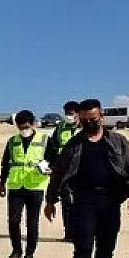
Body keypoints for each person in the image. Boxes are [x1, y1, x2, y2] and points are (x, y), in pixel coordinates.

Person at [45, 98, 129, 258]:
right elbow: (59, 173)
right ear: (80, 119)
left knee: (106, 248)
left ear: (102, 116)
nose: (89, 123)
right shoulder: (74, 145)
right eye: (85, 120)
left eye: (93, 119)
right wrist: (50, 200)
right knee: (83, 248)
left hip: (110, 202)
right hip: (83, 202)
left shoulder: (119, 141)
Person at [0, 110, 51, 258]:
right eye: (21, 127)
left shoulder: (44, 139)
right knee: (13, 221)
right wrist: (2, 183)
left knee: (32, 223)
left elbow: (54, 159)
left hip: (35, 186)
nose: (24, 130)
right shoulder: (12, 141)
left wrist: (50, 168)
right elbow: (6, 163)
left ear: (33, 124)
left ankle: (29, 256)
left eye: (26, 126)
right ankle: (16, 251)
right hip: (15, 186)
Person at [45, 100, 81, 240]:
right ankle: (69, 233)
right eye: (66, 114)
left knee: (84, 202)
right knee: (67, 202)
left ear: (78, 114)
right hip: (64, 170)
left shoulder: (86, 127)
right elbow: (53, 147)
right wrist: (51, 166)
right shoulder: (60, 127)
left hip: (82, 170)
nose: (68, 116)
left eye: (71, 114)